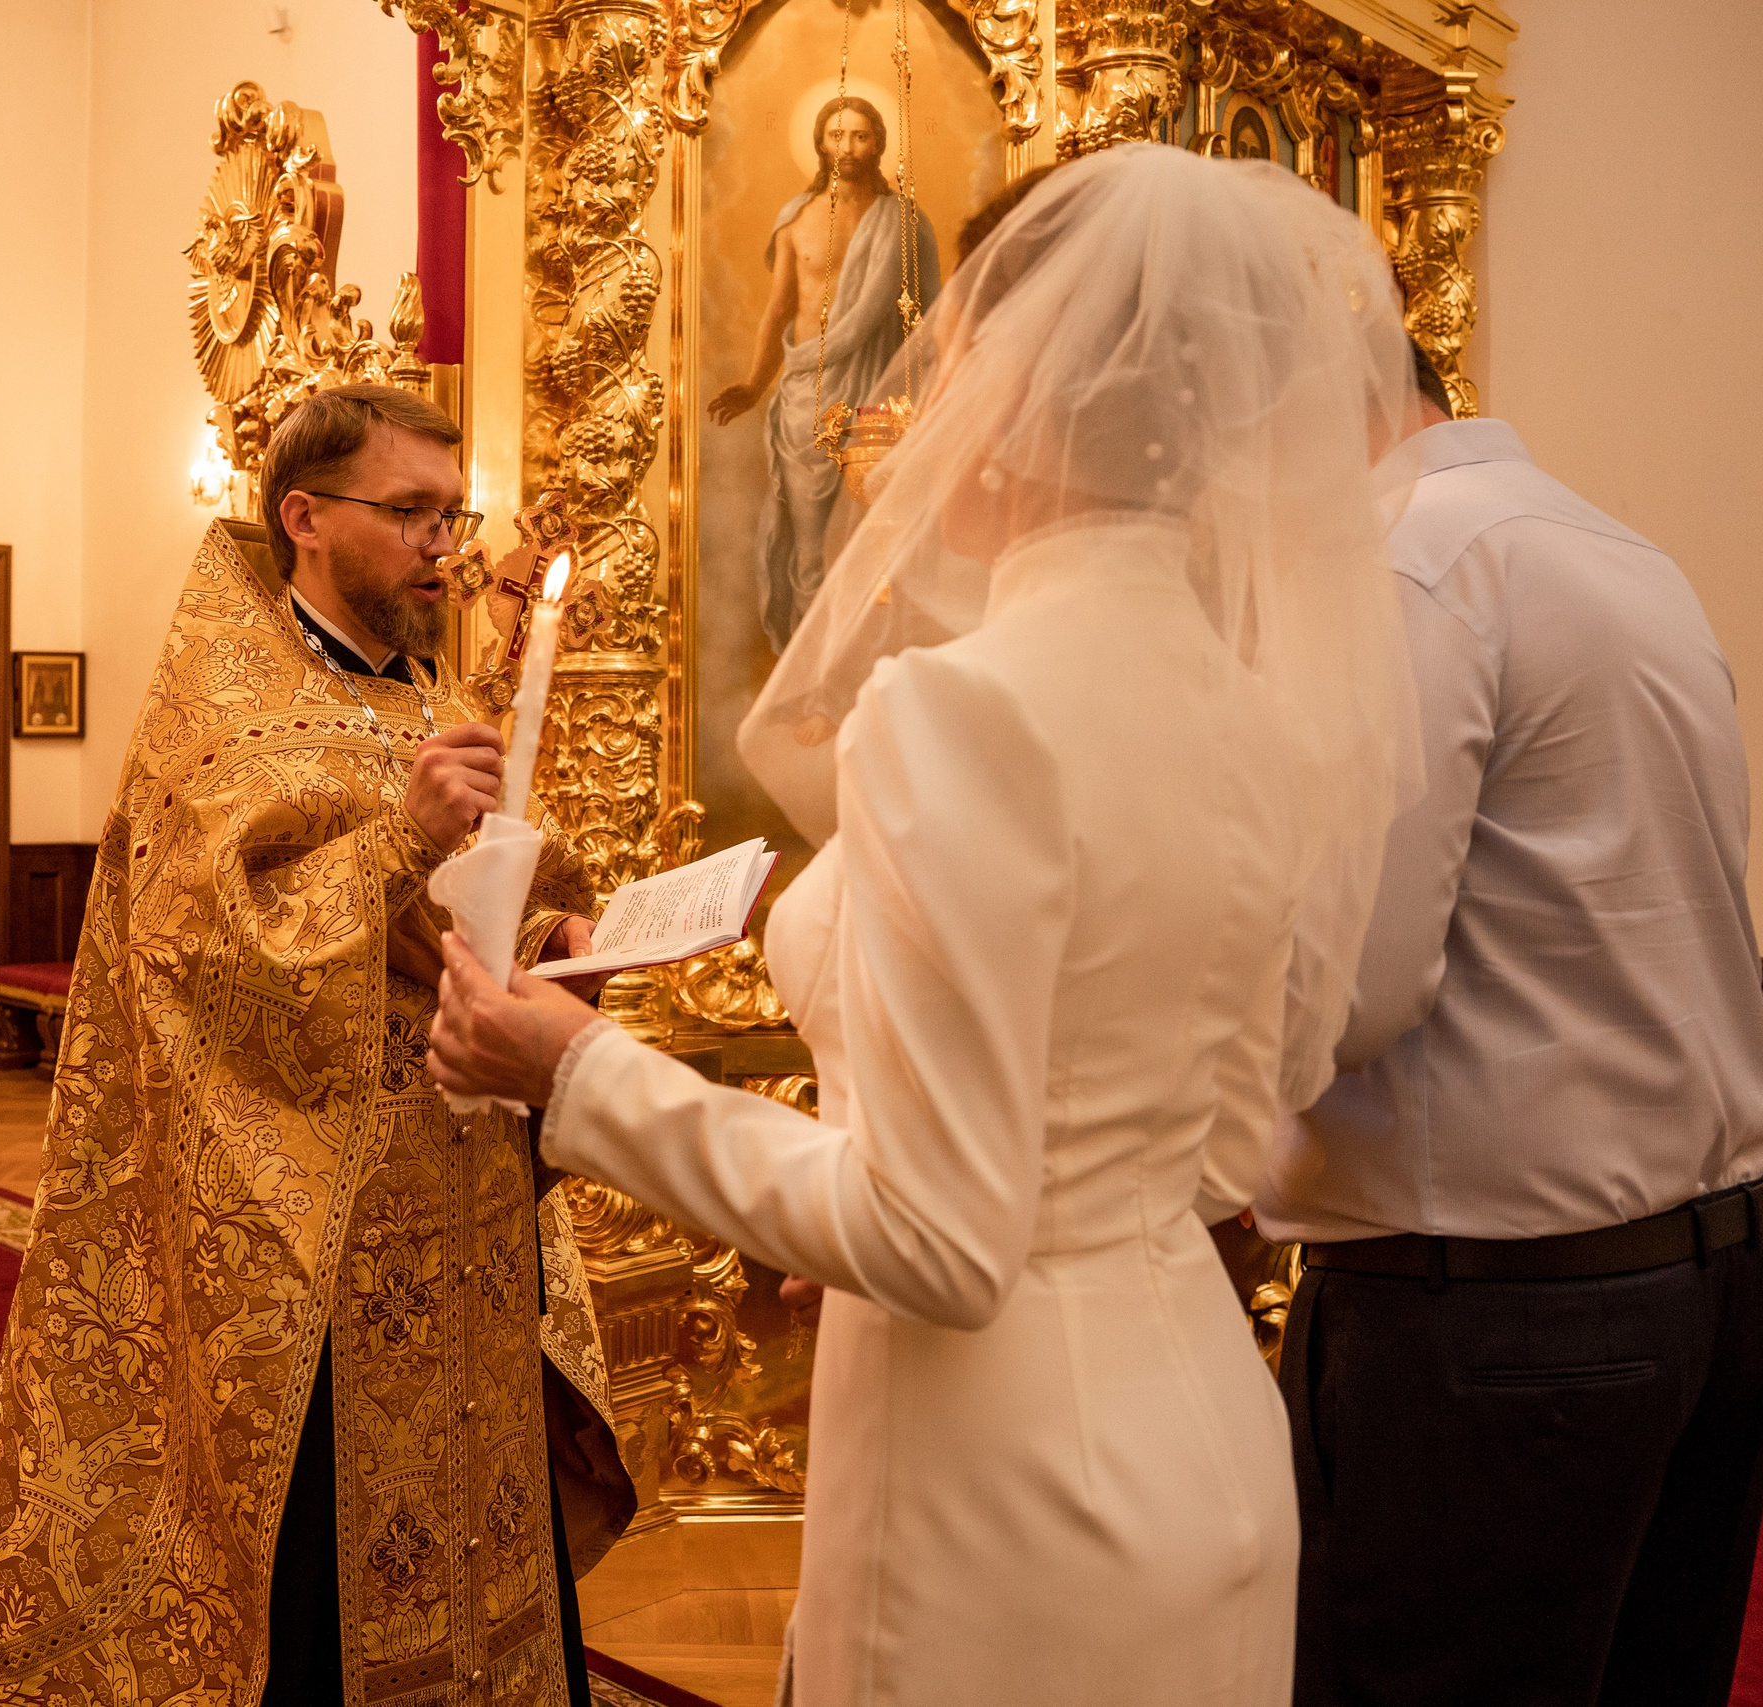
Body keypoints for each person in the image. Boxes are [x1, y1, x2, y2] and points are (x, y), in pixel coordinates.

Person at [430, 146, 1422, 1706]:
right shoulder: (1257, 716)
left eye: (949, 353)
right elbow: (1210, 1127)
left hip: (1007, 1483)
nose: (914, 398)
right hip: (1209, 1430)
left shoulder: (963, 709)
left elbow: (940, 1240)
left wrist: (578, 1074)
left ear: (1025, 398)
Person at [0, 384, 636, 1707]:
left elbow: (479, 896)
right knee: (313, 1561)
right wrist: (398, 845)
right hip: (307, 1233)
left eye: (453, 512)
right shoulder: (219, 696)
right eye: (411, 512)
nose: (445, 544)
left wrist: (561, 933)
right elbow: (202, 939)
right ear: (304, 516)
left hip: (468, 1208)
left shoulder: (431, 694)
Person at [1254, 348, 1763, 1707]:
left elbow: (1352, 993)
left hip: (1501, 1320)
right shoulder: (1612, 545)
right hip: (1715, 1275)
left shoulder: (1402, 565)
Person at [709, 95, 941, 652]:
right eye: (837, 135)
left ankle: (863, 670)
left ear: (879, 143)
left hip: (881, 396)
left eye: (861, 136)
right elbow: (779, 310)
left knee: (871, 539)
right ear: (819, 142)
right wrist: (754, 382)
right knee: (812, 546)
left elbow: (935, 319)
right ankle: (811, 677)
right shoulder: (796, 219)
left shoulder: (905, 221)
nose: (848, 147)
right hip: (806, 395)